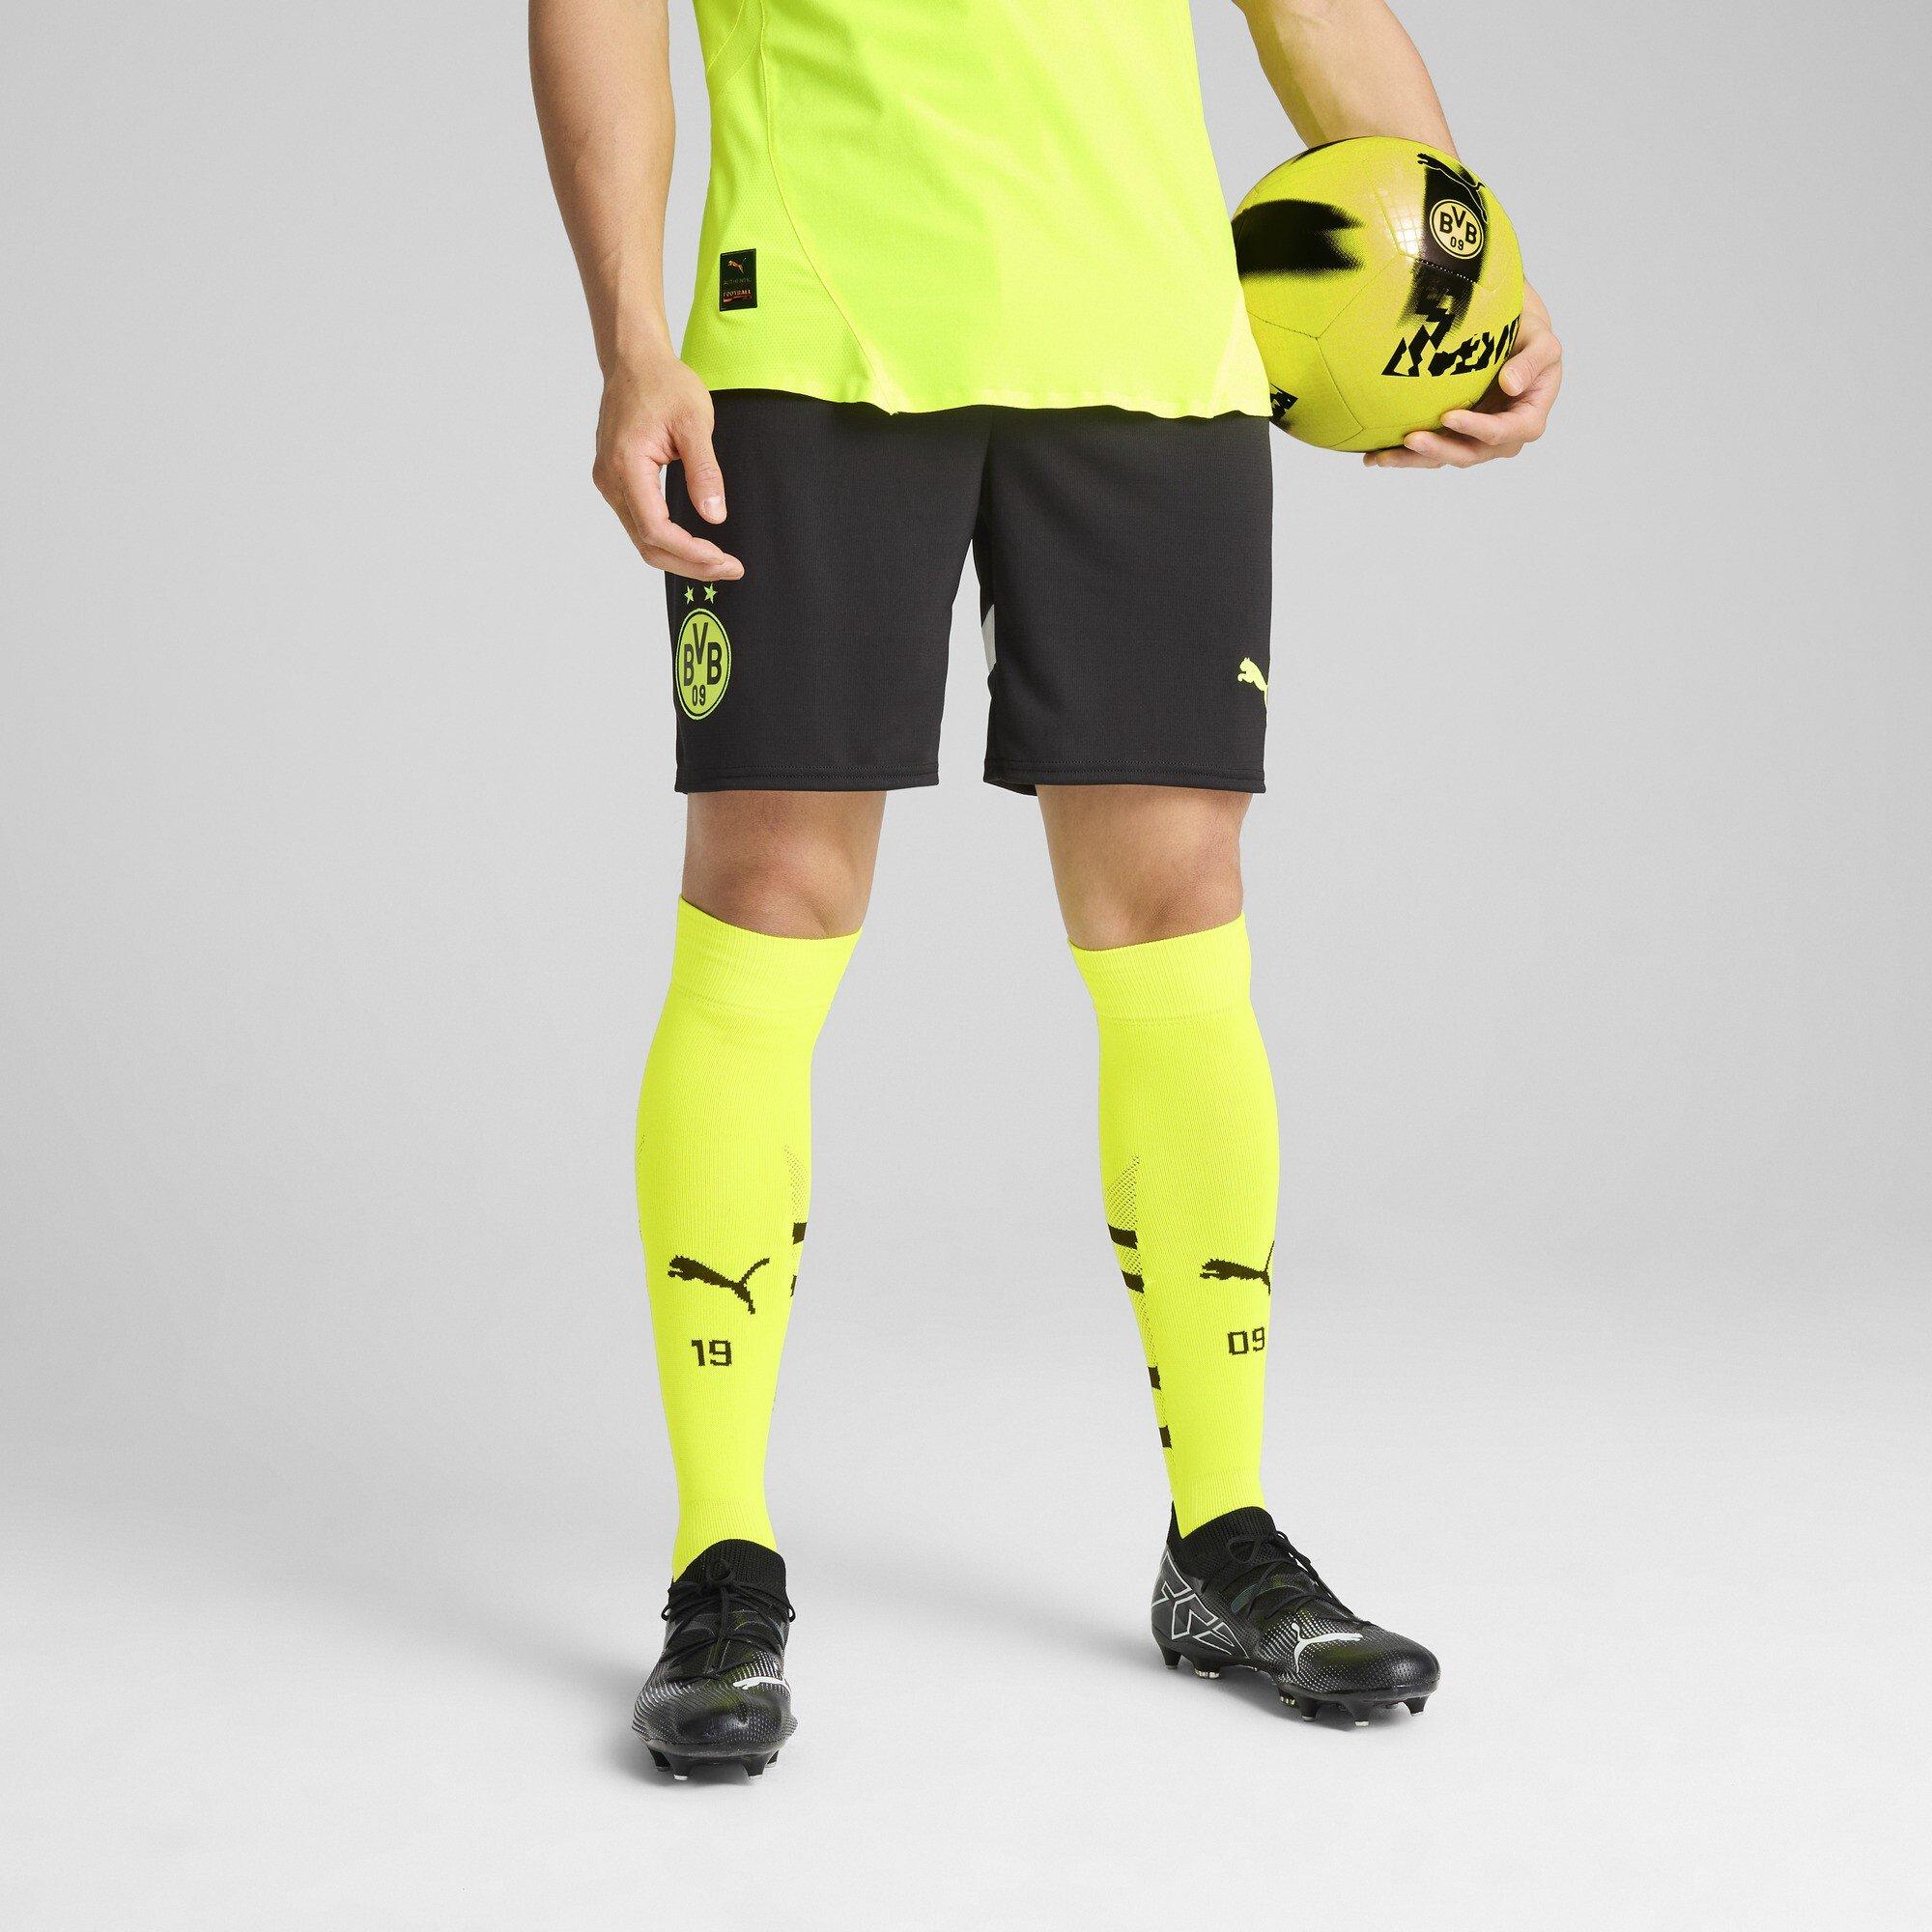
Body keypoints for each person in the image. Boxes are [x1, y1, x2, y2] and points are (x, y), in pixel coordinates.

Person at [529, 0, 1563, 1776]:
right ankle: (721, 1566)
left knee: (1179, 905)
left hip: (1156, 349)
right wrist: (631, 336)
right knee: (771, 896)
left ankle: (1223, 1542)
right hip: (814, 339)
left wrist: (1457, 265)